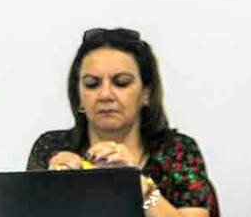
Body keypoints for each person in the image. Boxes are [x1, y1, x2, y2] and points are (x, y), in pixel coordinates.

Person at [26, 28, 219, 217]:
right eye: (92, 84)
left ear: (146, 93)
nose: (105, 95)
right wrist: (53, 187)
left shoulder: (178, 150)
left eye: (121, 83)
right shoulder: (52, 147)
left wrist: (139, 184)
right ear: (79, 95)